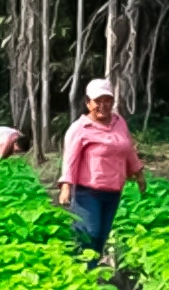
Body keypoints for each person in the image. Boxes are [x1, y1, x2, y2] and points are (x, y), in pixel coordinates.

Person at [59, 78, 146, 267]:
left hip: (113, 191)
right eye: (97, 101)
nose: (103, 105)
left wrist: (138, 174)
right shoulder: (80, 128)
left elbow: (128, 149)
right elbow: (70, 160)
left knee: (101, 236)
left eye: (107, 100)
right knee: (88, 234)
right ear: (88, 103)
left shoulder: (119, 122)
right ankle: (78, 276)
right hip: (88, 192)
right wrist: (66, 186)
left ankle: (91, 277)